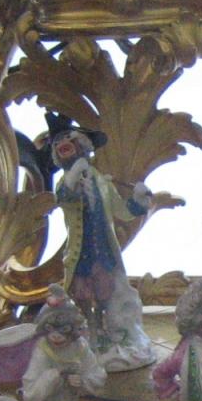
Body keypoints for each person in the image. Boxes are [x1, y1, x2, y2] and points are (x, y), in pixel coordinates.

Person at [45, 111, 156, 372]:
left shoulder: (102, 182)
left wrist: (139, 200)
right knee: (83, 296)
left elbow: (123, 212)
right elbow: (64, 196)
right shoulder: (65, 182)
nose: (64, 146)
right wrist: (75, 173)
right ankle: (92, 334)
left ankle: (111, 334)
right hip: (79, 253)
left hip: (103, 252)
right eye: (58, 144)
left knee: (106, 293)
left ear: (82, 146)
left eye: (68, 140)